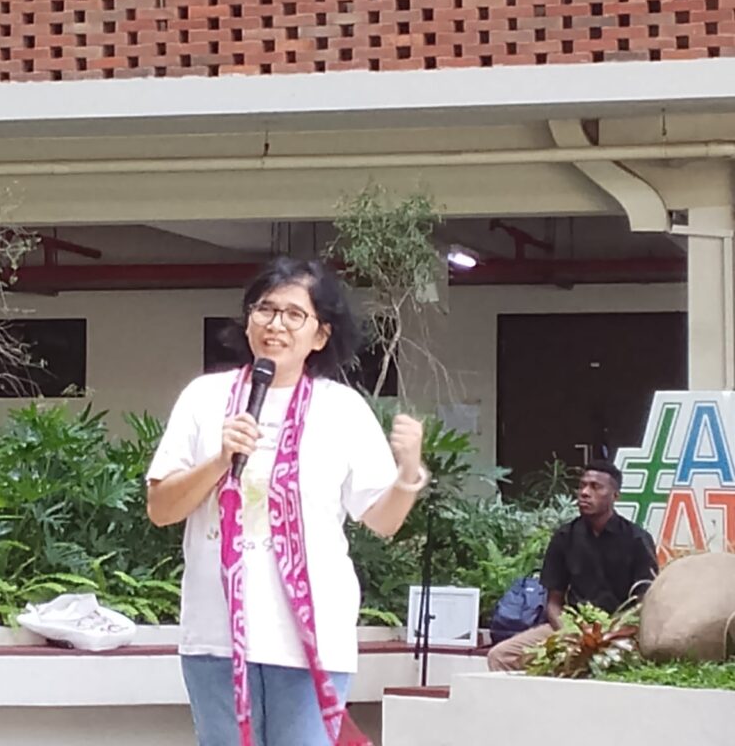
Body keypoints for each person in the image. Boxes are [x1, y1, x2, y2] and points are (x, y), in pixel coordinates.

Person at [146, 257, 428, 746]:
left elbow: (382, 521)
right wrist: (220, 460)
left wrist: (407, 475)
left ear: (320, 335)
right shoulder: (204, 398)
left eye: (295, 314)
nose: (276, 324)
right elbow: (161, 509)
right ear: (248, 320)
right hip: (216, 636)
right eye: (265, 309)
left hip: (311, 639)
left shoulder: (342, 408)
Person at [486, 459, 658, 672]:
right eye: (582, 486)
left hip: (619, 634)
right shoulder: (564, 537)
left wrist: (610, 636)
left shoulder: (637, 539)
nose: (584, 493)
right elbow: (553, 603)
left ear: (615, 496)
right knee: (501, 656)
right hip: (569, 629)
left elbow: (642, 604)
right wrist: (570, 633)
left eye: (595, 487)